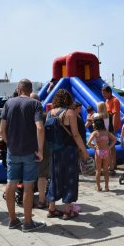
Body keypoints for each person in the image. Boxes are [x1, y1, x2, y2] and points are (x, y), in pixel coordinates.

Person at [0, 79, 45, 232]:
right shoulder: (35, 104)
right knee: (28, 187)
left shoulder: (8, 103)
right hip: (30, 152)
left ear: (18, 89)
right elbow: (40, 128)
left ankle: (13, 220)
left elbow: (2, 129)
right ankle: (27, 222)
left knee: (11, 184)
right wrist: (40, 150)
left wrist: (9, 144)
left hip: (13, 151)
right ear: (30, 90)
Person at [47, 89, 89, 220]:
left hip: (55, 150)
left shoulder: (50, 113)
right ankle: (67, 211)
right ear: (68, 100)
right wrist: (84, 151)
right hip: (69, 150)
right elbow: (75, 135)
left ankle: (51, 208)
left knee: (55, 177)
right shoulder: (70, 112)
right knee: (70, 179)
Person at [87, 117, 117, 192]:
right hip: (106, 151)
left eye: (93, 123)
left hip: (98, 152)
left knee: (98, 170)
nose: (93, 124)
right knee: (106, 170)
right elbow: (115, 139)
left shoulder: (95, 133)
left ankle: (98, 187)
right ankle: (106, 186)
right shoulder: (106, 132)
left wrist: (93, 147)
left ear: (96, 124)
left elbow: (88, 143)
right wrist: (109, 147)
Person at [102, 85, 121, 173]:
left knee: (112, 145)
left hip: (111, 126)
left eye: (104, 93)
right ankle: (112, 163)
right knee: (109, 145)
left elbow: (115, 115)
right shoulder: (107, 100)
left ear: (109, 92)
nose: (103, 95)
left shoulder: (115, 100)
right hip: (107, 125)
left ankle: (113, 164)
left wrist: (112, 127)